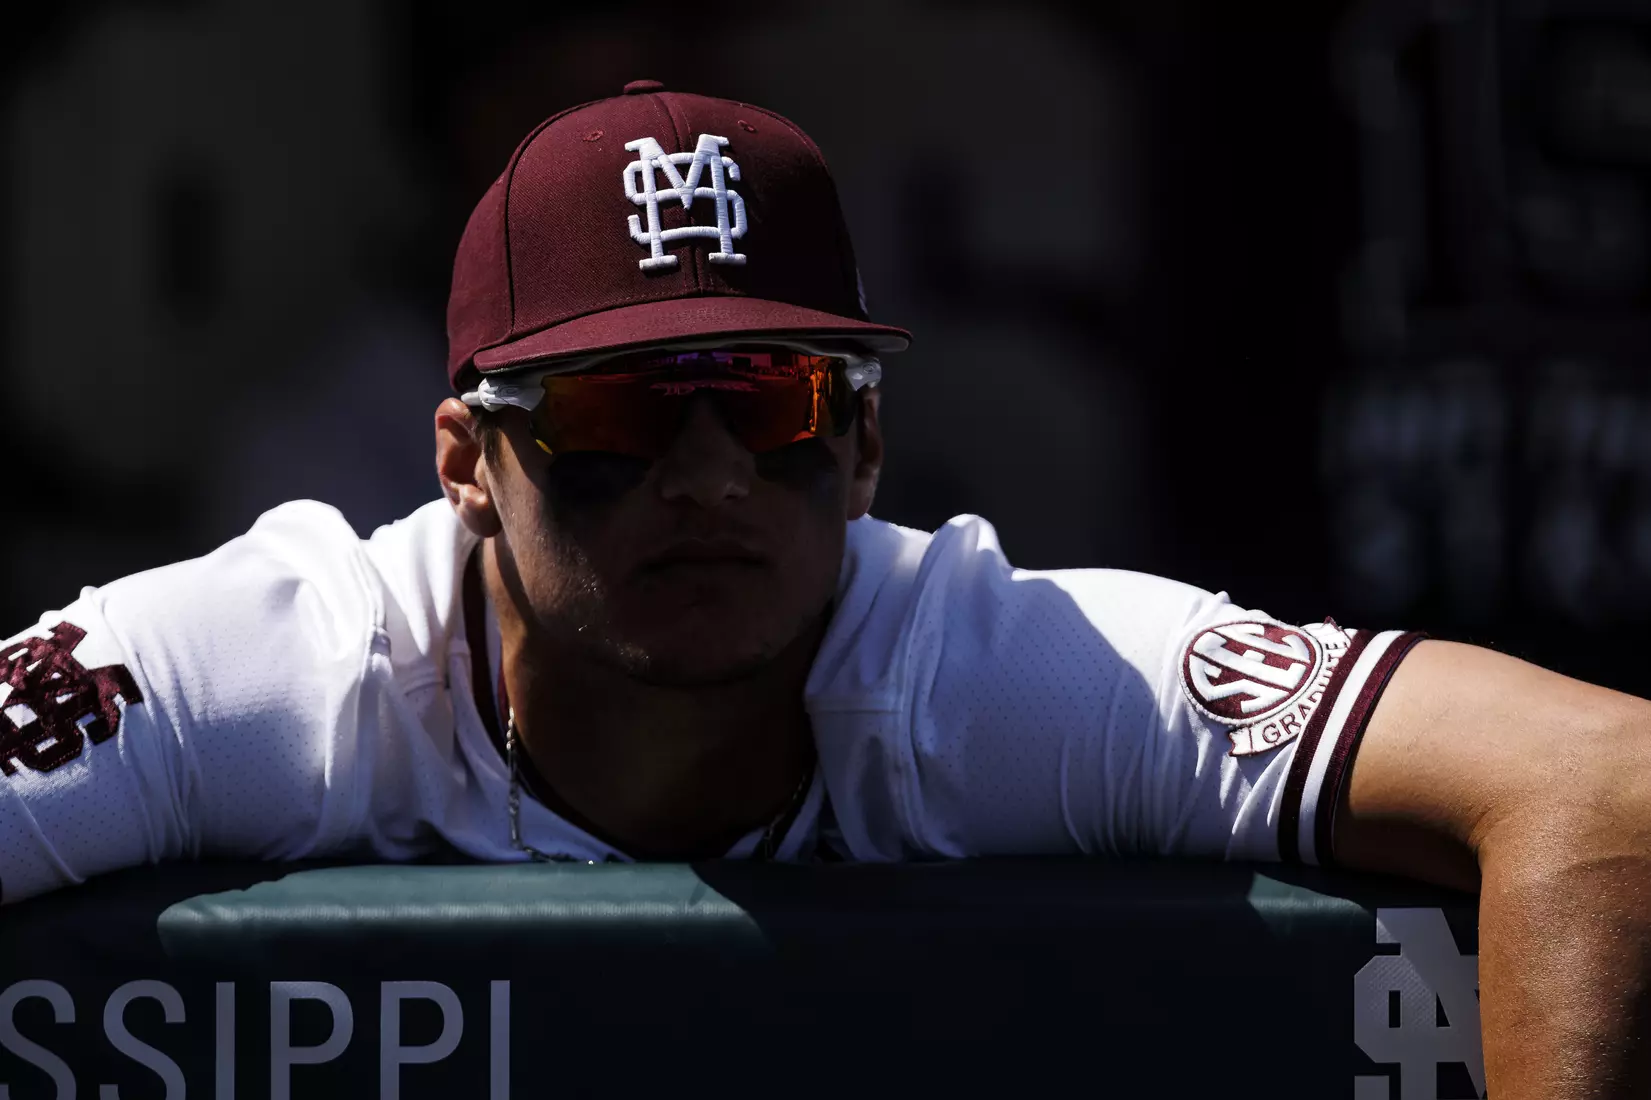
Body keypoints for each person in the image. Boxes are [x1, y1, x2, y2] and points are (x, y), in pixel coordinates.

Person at [1, 81, 1647, 1095]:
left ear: (862, 454)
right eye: (623, 414)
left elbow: (1602, 780)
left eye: (779, 402)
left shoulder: (981, 663)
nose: (708, 477)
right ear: (461, 462)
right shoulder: (275, 662)